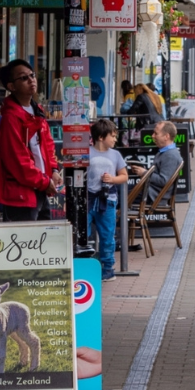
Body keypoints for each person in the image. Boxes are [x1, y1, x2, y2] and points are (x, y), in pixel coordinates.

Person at [0, 59, 57, 221]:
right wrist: (44, 182)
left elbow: (48, 145)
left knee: (44, 235)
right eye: (23, 77)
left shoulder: (37, 111)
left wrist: (54, 170)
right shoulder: (10, 118)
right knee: (23, 236)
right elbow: (18, 161)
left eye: (32, 75)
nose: (31, 80)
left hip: (40, 189)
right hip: (21, 195)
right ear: (11, 86)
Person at [86, 118, 130, 280]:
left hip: (108, 200)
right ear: (100, 137)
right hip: (88, 199)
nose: (115, 139)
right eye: (112, 136)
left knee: (107, 235)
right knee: (82, 233)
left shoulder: (115, 155)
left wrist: (112, 179)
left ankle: (108, 268)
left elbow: (124, 176)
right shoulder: (86, 153)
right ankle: (85, 264)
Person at [142, 121, 182, 206]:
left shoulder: (170, 155)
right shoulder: (164, 152)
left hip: (153, 196)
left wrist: (144, 173)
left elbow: (163, 181)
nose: (153, 136)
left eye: (156, 133)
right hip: (150, 192)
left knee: (119, 194)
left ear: (166, 136)